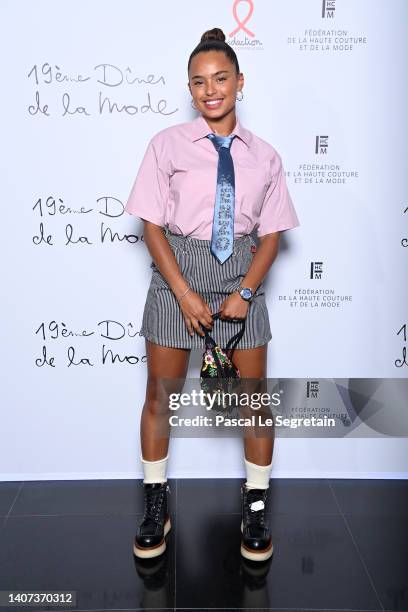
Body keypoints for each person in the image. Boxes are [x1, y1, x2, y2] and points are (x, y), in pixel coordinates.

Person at [125, 27, 300, 562]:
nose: (210, 89)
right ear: (190, 89)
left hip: (241, 275)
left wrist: (246, 292)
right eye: (199, 82)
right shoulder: (166, 145)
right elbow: (152, 226)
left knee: (252, 398)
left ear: (239, 83)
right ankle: (156, 502)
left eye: (220, 78)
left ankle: (255, 504)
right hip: (178, 269)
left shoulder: (265, 156)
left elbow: (271, 236)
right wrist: (183, 292)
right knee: (161, 395)